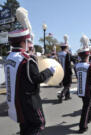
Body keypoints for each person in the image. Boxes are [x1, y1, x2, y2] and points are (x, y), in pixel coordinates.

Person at [4, 7, 55, 135]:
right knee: (38, 124)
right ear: (24, 41)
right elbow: (37, 78)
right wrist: (50, 70)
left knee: (24, 126)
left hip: (16, 102)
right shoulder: (26, 60)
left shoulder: (9, 57)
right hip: (30, 102)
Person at [75, 35, 91, 133]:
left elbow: (77, 76)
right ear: (87, 56)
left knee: (86, 104)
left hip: (80, 88)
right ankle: (82, 126)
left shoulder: (76, 65)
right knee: (86, 106)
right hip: (88, 89)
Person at [57, 35, 73, 103]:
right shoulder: (67, 54)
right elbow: (69, 62)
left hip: (60, 71)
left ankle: (67, 96)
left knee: (65, 84)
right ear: (66, 47)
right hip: (67, 71)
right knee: (68, 84)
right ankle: (62, 94)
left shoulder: (58, 53)